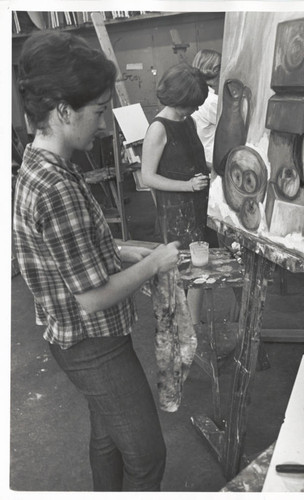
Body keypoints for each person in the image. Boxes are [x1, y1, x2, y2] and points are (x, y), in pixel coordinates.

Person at [13, 30, 180, 492]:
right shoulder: (58, 187)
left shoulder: (42, 165)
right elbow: (90, 296)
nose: (105, 125)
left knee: (108, 437)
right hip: (92, 343)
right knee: (147, 455)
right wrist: (155, 263)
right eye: (100, 111)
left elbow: (73, 252)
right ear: (63, 110)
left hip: (78, 338)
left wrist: (127, 250)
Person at [141, 63, 209, 324]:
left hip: (196, 203)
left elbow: (190, 160)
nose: (196, 109)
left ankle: (193, 323)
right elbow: (148, 177)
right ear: (178, 99)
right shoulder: (159, 128)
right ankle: (183, 326)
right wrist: (188, 186)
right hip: (176, 209)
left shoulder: (187, 120)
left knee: (199, 268)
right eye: (192, 104)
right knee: (182, 270)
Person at [191, 49, 221, 170]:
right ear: (215, 70)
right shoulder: (212, 101)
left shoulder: (192, 94)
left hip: (199, 160)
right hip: (211, 164)